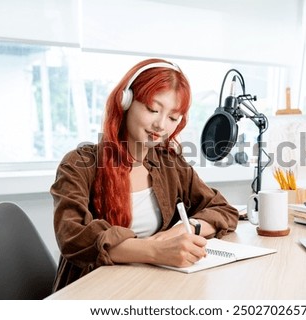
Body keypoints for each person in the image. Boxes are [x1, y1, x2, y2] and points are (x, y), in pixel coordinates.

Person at [50, 58, 239, 291]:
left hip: (148, 286)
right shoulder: (79, 164)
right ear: (126, 101)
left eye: (172, 118)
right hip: (93, 292)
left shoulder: (169, 163)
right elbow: (73, 236)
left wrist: (185, 228)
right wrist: (157, 251)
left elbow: (224, 210)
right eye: (153, 109)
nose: (161, 125)